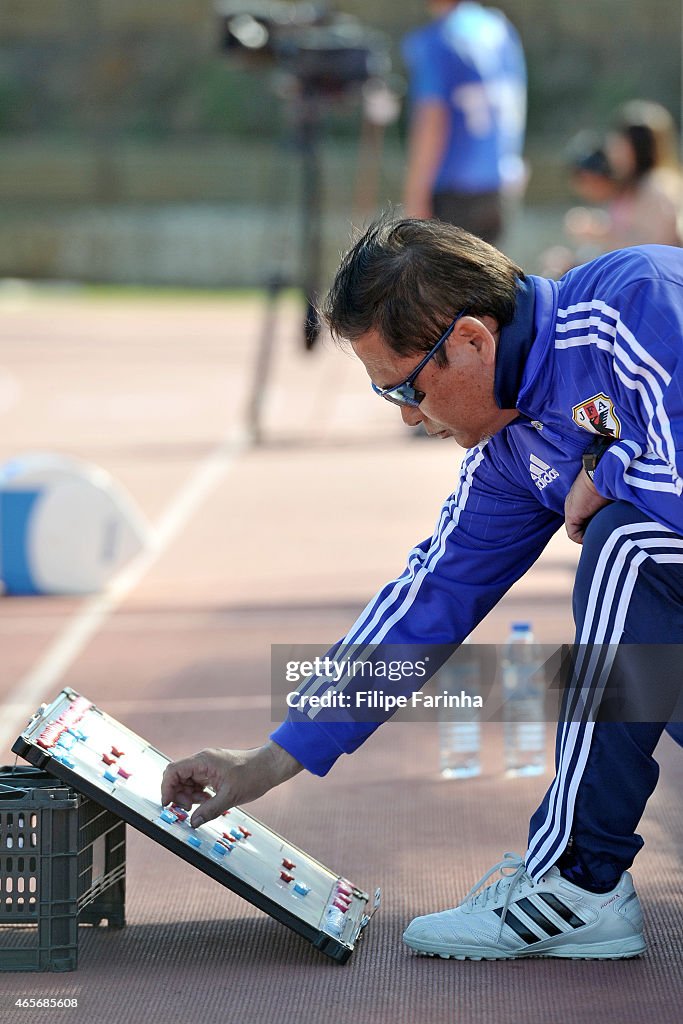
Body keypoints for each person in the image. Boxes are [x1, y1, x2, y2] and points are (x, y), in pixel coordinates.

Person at [162, 216, 683, 961]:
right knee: (632, 590)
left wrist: (607, 471)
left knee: (625, 544)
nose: (410, 416)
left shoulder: (638, 303)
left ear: (470, 341)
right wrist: (269, 758)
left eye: (404, 389)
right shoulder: (513, 442)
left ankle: (576, 884)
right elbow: (428, 600)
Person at [401, 0, 527, 245]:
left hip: (453, 191)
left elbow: (432, 119)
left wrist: (416, 195)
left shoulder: (436, 40)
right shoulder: (499, 29)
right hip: (499, 184)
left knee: (442, 281)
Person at [565, 100, 683, 254]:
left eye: (619, 144)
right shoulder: (633, 185)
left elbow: (657, 250)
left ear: (639, 148)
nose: (612, 151)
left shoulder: (658, 188)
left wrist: (603, 236)